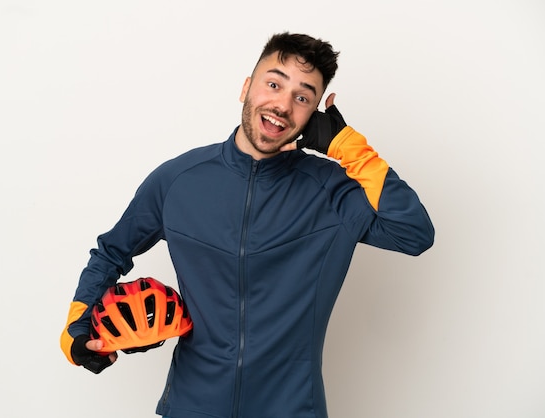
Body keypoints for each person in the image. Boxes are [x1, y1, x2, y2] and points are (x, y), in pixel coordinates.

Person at [60, 32, 435, 418]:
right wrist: (78, 327)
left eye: (302, 97)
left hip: (292, 409)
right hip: (191, 406)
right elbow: (111, 252)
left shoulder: (331, 192)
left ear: (314, 113)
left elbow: (414, 233)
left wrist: (348, 147)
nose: (283, 105)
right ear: (246, 88)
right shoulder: (178, 180)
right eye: (274, 84)